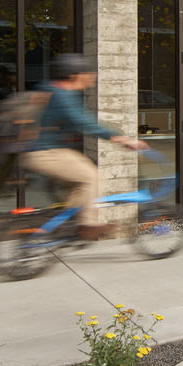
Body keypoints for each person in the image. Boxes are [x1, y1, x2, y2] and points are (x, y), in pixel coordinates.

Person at [22, 54, 145, 239]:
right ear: (73, 75)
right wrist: (122, 139)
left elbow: (70, 122)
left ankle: (68, 222)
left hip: (43, 150)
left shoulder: (54, 90)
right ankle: (88, 224)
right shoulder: (63, 95)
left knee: (83, 178)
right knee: (91, 176)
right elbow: (84, 122)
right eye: (86, 72)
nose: (91, 75)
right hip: (43, 153)